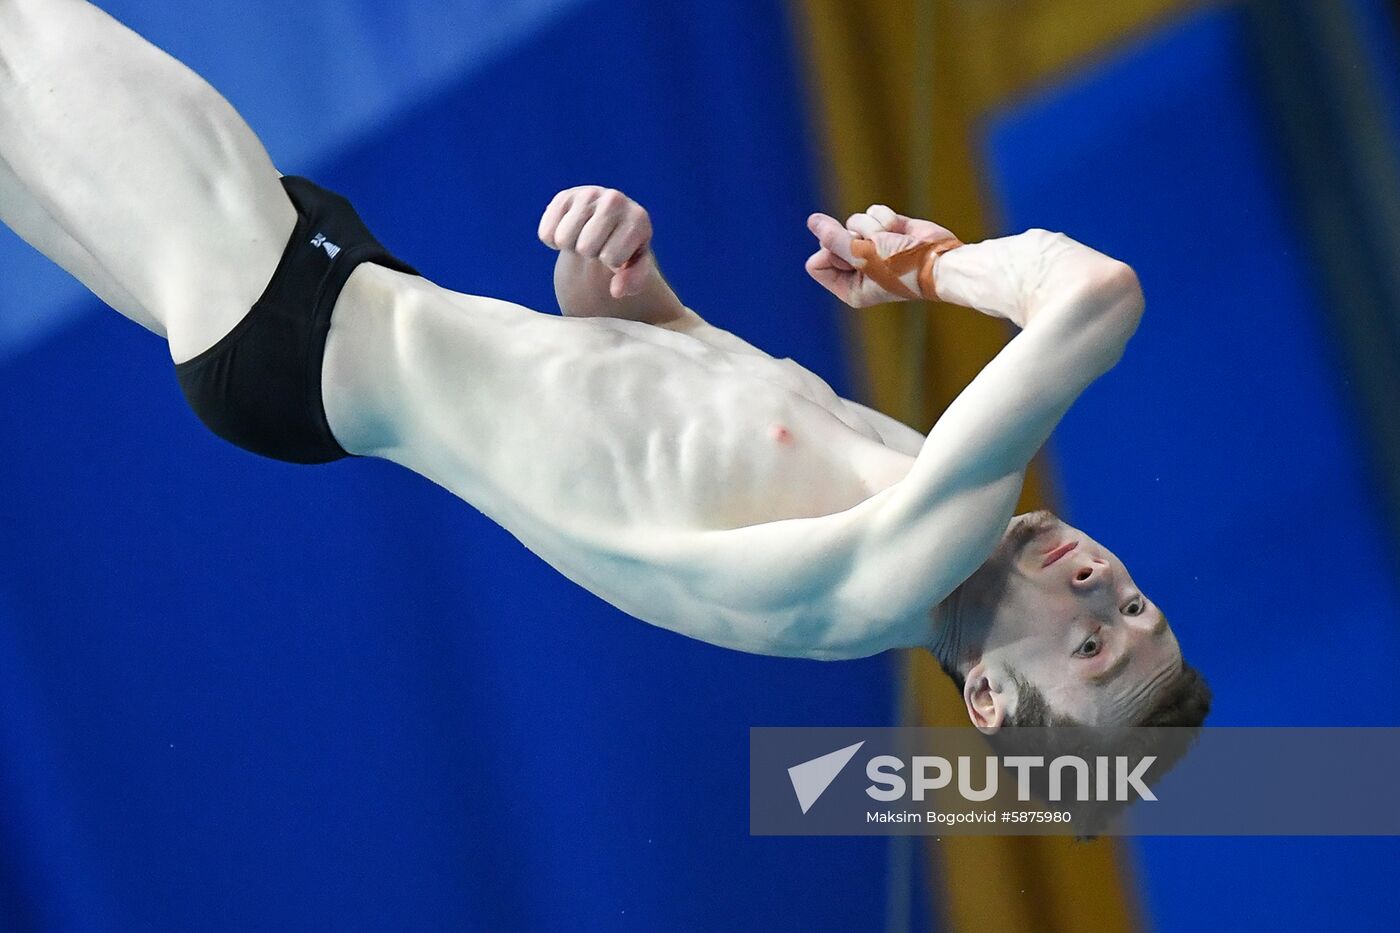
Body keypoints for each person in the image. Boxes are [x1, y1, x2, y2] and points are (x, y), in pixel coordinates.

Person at [0, 0, 1208, 734]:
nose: (1102, 592)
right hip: (320, 313)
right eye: (1137, 609)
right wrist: (625, 288)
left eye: (1090, 646)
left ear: (990, 698)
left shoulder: (908, 561)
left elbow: (1096, 295)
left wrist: (937, 270)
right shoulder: (901, 497)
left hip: (288, 309)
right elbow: (655, 392)